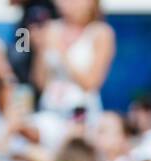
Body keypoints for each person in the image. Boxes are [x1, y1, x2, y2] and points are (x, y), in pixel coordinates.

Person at [31, 0, 115, 149]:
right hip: (49, 111)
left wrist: (62, 52)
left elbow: (92, 83)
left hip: (82, 117)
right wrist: (40, 49)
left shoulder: (101, 32)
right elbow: (40, 81)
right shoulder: (51, 28)